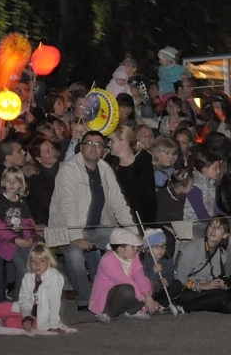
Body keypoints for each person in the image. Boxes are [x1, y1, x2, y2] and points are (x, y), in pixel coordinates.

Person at [49, 130, 136, 310]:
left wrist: (134, 233)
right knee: (74, 256)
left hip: (97, 227)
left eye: (98, 144)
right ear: (81, 147)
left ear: (104, 150)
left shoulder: (105, 169)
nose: (93, 148)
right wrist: (76, 236)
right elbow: (68, 206)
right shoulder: (69, 169)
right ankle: (86, 299)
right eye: (89, 143)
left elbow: (118, 203)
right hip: (66, 229)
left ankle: (128, 292)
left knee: (126, 240)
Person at [0, 244, 68, 332]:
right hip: (25, 310)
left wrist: (54, 325)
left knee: (10, 323)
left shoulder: (54, 277)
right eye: (33, 261)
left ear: (49, 262)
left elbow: (55, 303)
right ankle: (11, 317)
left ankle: (8, 319)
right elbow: (24, 300)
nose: (37, 264)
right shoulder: (28, 277)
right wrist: (27, 317)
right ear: (29, 263)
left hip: (42, 318)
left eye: (42, 261)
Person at [0, 167, 37, 301]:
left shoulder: (22, 202)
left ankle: (29, 297)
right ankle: (18, 301)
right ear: (3, 183)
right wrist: (15, 240)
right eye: (8, 180)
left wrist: (29, 238)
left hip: (22, 239)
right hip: (5, 241)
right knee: (23, 268)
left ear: (21, 184)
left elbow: (28, 222)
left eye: (15, 181)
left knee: (32, 265)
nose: (12, 184)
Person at [173, 217, 231, 314]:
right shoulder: (192, 247)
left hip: (207, 291)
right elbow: (180, 279)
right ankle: (186, 307)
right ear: (207, 229)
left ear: (225, 235)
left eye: (219, 228)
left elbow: (216, 276)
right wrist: (202, 286)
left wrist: (222, 285)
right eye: (211, 225)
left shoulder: (221, 253)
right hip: (188, 290)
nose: (213, 229)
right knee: (224, 297)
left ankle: (200, 305)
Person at [90, 228, 160, 321]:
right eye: (133, 247)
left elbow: (139, 275)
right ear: (121, 249)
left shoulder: (134, 257)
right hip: (109, 293)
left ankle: (133, 309)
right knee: (126, 290)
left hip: (130, 288)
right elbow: (124, 280)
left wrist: (147, 295)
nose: (136, 249)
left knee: (149, 284)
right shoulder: (107, 260)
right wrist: (144, 299)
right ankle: (107, 312)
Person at [108, 125, 156, 224]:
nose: (109, 144)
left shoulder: (143, 163)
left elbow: (148, 198)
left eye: (112, 141)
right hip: (116, 219)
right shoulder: (109, 163)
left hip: (141, 219)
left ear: (123, 142)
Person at [141, 228, 182, 309]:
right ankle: (152, 303)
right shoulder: (144, 261)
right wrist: (153, 271)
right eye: (156, 246)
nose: (160, 250)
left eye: (163, 246)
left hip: (163, 289)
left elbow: (171, 274)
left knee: (177, 284)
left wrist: (167, 281)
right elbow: (142, 277)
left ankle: (159, 303)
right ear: (148, 249)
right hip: (151, 291)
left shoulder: (167, 260)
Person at [183, 151, 222, 234]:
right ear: (204, 168)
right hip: (193, 225)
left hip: (207, 221)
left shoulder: (209, 183)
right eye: (215, 168)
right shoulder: (195, 186)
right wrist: (221, 224)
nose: (218, 171)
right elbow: (202, 216)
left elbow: (214, 209)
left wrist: (229, 219)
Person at [25, 136, 60, 224]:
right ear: (38, 158)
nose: (53, 152)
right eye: (47, 151)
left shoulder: (62, 168)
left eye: (52, 148)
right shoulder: (36, 178)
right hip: (47, 220)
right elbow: (47, 202)